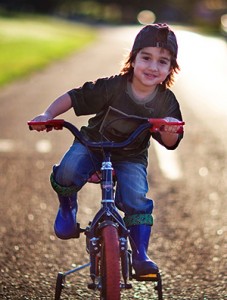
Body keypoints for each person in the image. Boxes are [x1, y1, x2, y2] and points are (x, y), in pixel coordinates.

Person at [30, 23, 184, 277]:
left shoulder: (165, 100)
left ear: (170, 68)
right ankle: (68, 207)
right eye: (146, 58)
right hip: (92, 144)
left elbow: (170, 143)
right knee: (67, 170)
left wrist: (168, 128)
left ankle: (140, 254)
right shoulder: (113, 86)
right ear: (133, 59)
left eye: (162, 62)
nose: (153, 67)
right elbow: (76, 96)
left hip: (130, 156)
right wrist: (48, 114)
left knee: (137, 198)